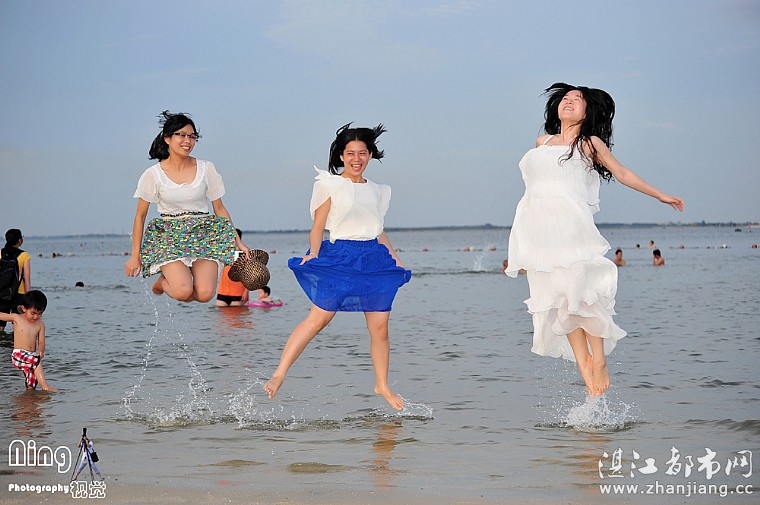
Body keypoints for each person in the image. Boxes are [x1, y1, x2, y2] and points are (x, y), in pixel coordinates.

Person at [505, 83, 684, 397]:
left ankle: (598, 359)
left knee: (583, 293)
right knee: (559, 299)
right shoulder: (542, 142)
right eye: (566, 98)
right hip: (539, 233)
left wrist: (660, 195)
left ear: (587, 113)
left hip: (571, 229)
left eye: (578, 100)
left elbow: (622, 173)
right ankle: (584, 362)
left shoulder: (589, 143)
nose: (569, 101)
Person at [264, 123, 412, 410]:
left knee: (380, 328)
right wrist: (314, 253)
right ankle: (279, 374)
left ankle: (382, 385)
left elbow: (378, 229)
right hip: (341, 256)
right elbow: (318, 226)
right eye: (350, 153)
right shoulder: (329, 185)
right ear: (341, 156)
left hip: (374, 258)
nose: (357, 159)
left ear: (370, 155)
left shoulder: (378, 191)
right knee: (318, 319)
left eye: (362, 153)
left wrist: (395, 258)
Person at [125, 111, 250, 302]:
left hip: (204, 234)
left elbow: (219, 208)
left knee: (204, 295)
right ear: (167, 138)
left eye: (192, 136)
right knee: (183, 291)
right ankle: (162, 283)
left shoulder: (206, 168)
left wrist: (237, 242)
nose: (188, 141)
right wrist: (135, 256)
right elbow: (140, 216)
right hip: (169, 237)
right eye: (181, 135)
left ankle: (180, 277)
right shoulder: (153, 175)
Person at [2, 290, 58, 391]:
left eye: (39, 314)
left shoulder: (40, 325)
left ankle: (29, 396)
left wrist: (41, 351)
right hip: (18, 354)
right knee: (36, 361)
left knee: (32, 381)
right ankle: (45, 387)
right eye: (33, 313)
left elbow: (41, 342)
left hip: (31, 354)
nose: (36, 317)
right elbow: (2, 316)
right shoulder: (17, 318)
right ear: (24, 308)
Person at [0, 229, 32, 334]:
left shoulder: (0, 253)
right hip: (19, 293)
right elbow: (27, 277)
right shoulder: (24, 255)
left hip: (2, 292)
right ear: (19, 240)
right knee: (18, 325)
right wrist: (28, 297)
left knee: (0, 326)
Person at [216, 229, 250, 307]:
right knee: (220, 312)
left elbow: (249, 274)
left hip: (238, 291)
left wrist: (246, 292)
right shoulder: (224, 251)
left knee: (237, 313)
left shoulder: (245, 253)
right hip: (223, 290)